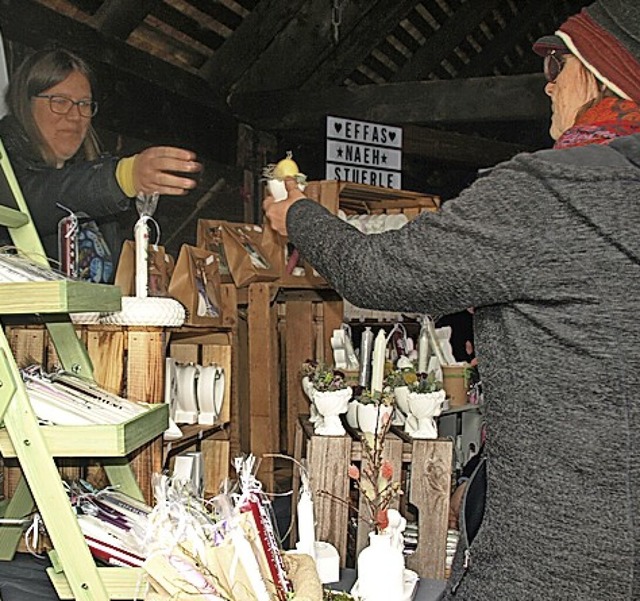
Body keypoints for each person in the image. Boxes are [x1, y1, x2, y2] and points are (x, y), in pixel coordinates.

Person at [264, 1, 640, 598]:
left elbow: (376, 271)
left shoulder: (552, 194)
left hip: (554, 559)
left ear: (602, 73)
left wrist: (300, 216)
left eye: (556, 66)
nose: (546, 86)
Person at [0, 48, 201, 277]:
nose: (75, 116)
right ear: (24, 103)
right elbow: (33, 199)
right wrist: (123, 177)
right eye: (60, 101)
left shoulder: (90, 175)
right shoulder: (6, 164)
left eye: (84, 104)